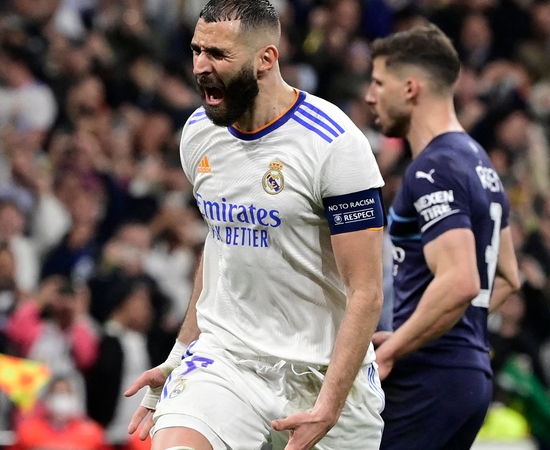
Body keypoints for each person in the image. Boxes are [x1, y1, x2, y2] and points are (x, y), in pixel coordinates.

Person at [124, 1, 386, 449]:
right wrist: (179, 354)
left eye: (218, 55)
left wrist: (330, 402)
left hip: (322, 376)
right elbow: (221, 244)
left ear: (266, 59)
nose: (201, 67)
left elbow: (366, 290)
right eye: (196, 51)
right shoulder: (199, 133)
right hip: (228, 362)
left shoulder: (334, 145)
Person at [364, 24, 520, 450]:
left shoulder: (433, 169)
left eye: (379, 82)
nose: (369, 96)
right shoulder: (478, 161)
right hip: (467, 377)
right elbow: (506, 276)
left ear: (410, 88)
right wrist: (433, 329)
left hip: (429, 379)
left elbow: (462, 280)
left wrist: (398, 344)